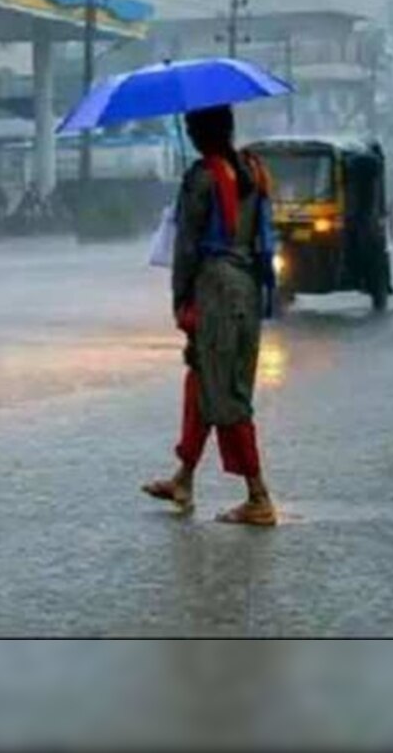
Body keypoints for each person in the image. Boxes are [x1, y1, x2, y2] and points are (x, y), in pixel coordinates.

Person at [141, 105, 278, 527]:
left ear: (200, 133)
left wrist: (181, 299)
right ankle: (184, 478)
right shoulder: (255, 171)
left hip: (214, 289)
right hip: (247, 288)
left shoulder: (201, 179)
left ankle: (258, 496)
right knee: (204, 380)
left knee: (226, 393)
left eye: (190, 127)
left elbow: (185, 248)